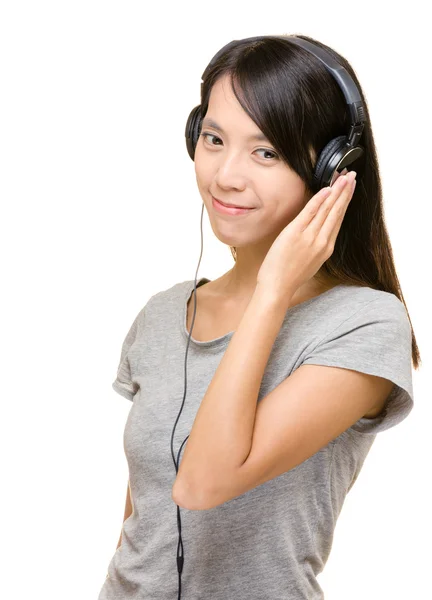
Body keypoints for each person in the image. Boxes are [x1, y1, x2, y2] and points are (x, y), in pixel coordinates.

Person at [98, 34, 420, 600]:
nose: (226, 175)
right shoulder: (163, 314)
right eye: (214, 139)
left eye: (265, 152)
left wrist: (272, 290)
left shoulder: (364, 326)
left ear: (330, 170)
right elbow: (140, 521)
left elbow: (201, 483)